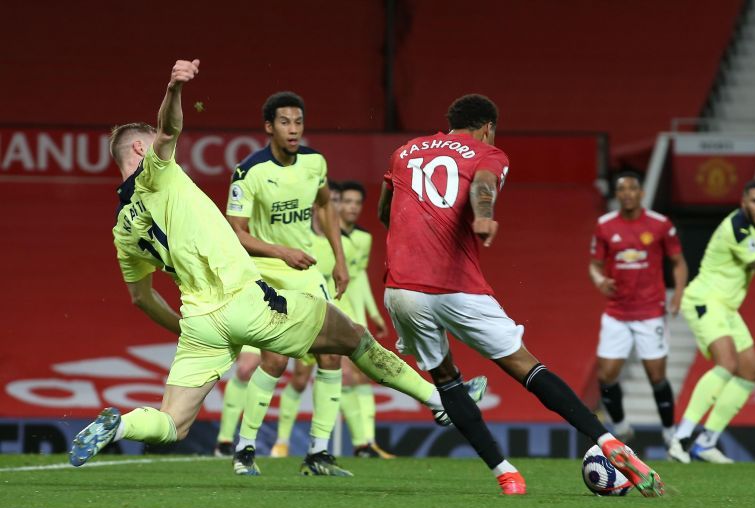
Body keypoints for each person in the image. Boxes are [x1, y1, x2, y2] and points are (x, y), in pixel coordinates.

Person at [69, 59, 485, 476]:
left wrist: (185, 328)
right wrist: (174, 88)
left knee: (172, 424)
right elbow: (169, 130)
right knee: (354, 339)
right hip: (246, 300)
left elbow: (142, 297)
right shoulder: (156, 174)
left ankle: (121, 424)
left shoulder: (121, 230)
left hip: (200, 322)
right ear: (141, 150)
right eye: (152, 143)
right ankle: (442, 401)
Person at [378, 94, 664, 497]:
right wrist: (481, 217)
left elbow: (384, 211)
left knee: (446, 382)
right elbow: (482, 184)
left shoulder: (404, 152)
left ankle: (506, 475)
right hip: (455, 285)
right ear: (487, 127)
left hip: (402, 288)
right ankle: (608, 441)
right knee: (525, 366)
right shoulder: (488, 152)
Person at [222, 91, 350, 475]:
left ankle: (319, 453)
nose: (293, 130)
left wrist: (339, 260)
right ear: (268, 127)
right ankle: (244, 449)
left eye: (298, 122)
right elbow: (237, 233)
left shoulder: (315, 162)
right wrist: (281, 252)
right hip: (265, 273)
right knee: (275, 360)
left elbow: (325, 204)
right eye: (284, 122)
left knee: (332, 353)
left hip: (306, 273)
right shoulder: (249, 172)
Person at [668, 179, 755, 463]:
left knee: (750, 372)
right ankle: (680, 438)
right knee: (727, 364)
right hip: (705, 300)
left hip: (726, 307)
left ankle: (707, 441)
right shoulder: (737, 226)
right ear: (744, 202)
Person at [589, 171, 687, 445]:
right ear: (617, 195)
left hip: (650, 312)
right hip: (617, 312)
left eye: (633, 188)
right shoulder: (605, 226)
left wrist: (678, 294)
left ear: (641, 193)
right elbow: (595, 265)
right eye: (622, 189)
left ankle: (669, 433)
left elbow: (678, 262)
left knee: (656, 376)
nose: (628, 193)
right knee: (605, 375)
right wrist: (600, 280)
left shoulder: (660, 225)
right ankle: (621, 429)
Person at [336, 181, 394, 458]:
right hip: (332, 311)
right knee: (342, 375)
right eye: (346, 201)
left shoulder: (364, 238)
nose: (352, 207)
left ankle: (366, 442)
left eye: (357, 203)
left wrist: (372, 314)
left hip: (355, 314)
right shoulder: (323, 238)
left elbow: (358, 279)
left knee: (360, 376)